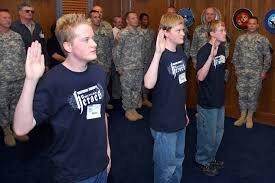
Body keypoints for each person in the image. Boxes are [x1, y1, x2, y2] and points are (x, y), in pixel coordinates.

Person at [13, 14, 111, 183]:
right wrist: (31, 80)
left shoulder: (98, 73)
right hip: (72, 172)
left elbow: (101, 115)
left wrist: (107, 152)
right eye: (86, 40)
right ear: (68, 45)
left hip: (100, 163)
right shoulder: (53, 81)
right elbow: (21, 129)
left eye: (93, 38)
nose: (94, 44)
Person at [144, 13, 189, 183]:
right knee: (165, 169)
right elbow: (148, 84)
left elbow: (181, 87)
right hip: (164, 124)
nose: (183, 33)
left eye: (183, 29)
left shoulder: (181, 55)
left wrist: (184, 112)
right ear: (166, 32)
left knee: (178, 161)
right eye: (178, 30)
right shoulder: (159, 57)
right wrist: (157, 53)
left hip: (179, 119)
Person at [195, 20, 227, 176]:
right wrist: (210, 57)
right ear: (212, 33)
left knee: (218, 132)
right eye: (221, 30)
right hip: (207, 101)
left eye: (224, 29)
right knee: (207, 134)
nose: (225, 32)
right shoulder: (204, 51)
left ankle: (211, 158)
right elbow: (200, 76)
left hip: (219, 98)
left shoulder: (222, 48)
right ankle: (203, 161)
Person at [232, 16, 272, 128]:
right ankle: (242, 115)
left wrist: (264, 71)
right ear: (247, 25)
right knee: (242, 94)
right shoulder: (240, 39)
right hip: (242, 72)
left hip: (256, 73)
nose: (252, 25)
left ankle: (249, 117)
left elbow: (268, 57)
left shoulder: (263, 39)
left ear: (257, 25)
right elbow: (236, 56)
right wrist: (237, 69)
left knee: (253, 95)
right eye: (250, 23)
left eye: (254, 23)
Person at [0, 9, 28, 146]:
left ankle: (17, 129)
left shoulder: (17, 36)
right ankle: (7, 131)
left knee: (17, 105)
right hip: (3, 80)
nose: (8, 20)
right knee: (3, 105)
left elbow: (23, 56)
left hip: (19, 77)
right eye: (4, 18)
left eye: (9, 17)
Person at [113, 11, 145, 121]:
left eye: (136, 18)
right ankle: (128, 110)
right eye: (132, 18)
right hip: (126, 68)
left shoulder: (140, 33)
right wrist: (118, 67)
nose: (135, 20)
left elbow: (143, 50)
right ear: (127, 21)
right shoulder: (122, 34)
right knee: (127, 90)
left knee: (136, 89)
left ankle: (134, 109)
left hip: (138, 67)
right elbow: (116, 52)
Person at [11, 2, 49, 68]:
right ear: (20, 12)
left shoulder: (38, 26)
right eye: (27, 11)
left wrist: (46, 63)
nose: (30, 13)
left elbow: (43, 44)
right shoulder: (13, 27)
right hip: (21, 64)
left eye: (32, 11)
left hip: (37, 61)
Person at [139, 12, 155, 107]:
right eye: (144, 19)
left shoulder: (151, 32)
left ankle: (145, 99)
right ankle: (138, 100)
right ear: (140, 21)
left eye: (147, 19)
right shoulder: (136, 32)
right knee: (137, 80)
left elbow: (153, 47)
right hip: (138, 60)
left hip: (148, 60)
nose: (146, 21)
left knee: (146, 80)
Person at [111, 16, 123, 100]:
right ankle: (116, 95)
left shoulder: (122, 31)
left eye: (121, 21)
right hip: (115, 58)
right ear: (114, 23)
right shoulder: (113, 31)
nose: (120, 23)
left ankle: (119, 94)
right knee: (115, 78)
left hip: (122, 58)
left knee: (120, 78)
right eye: (118, 22)